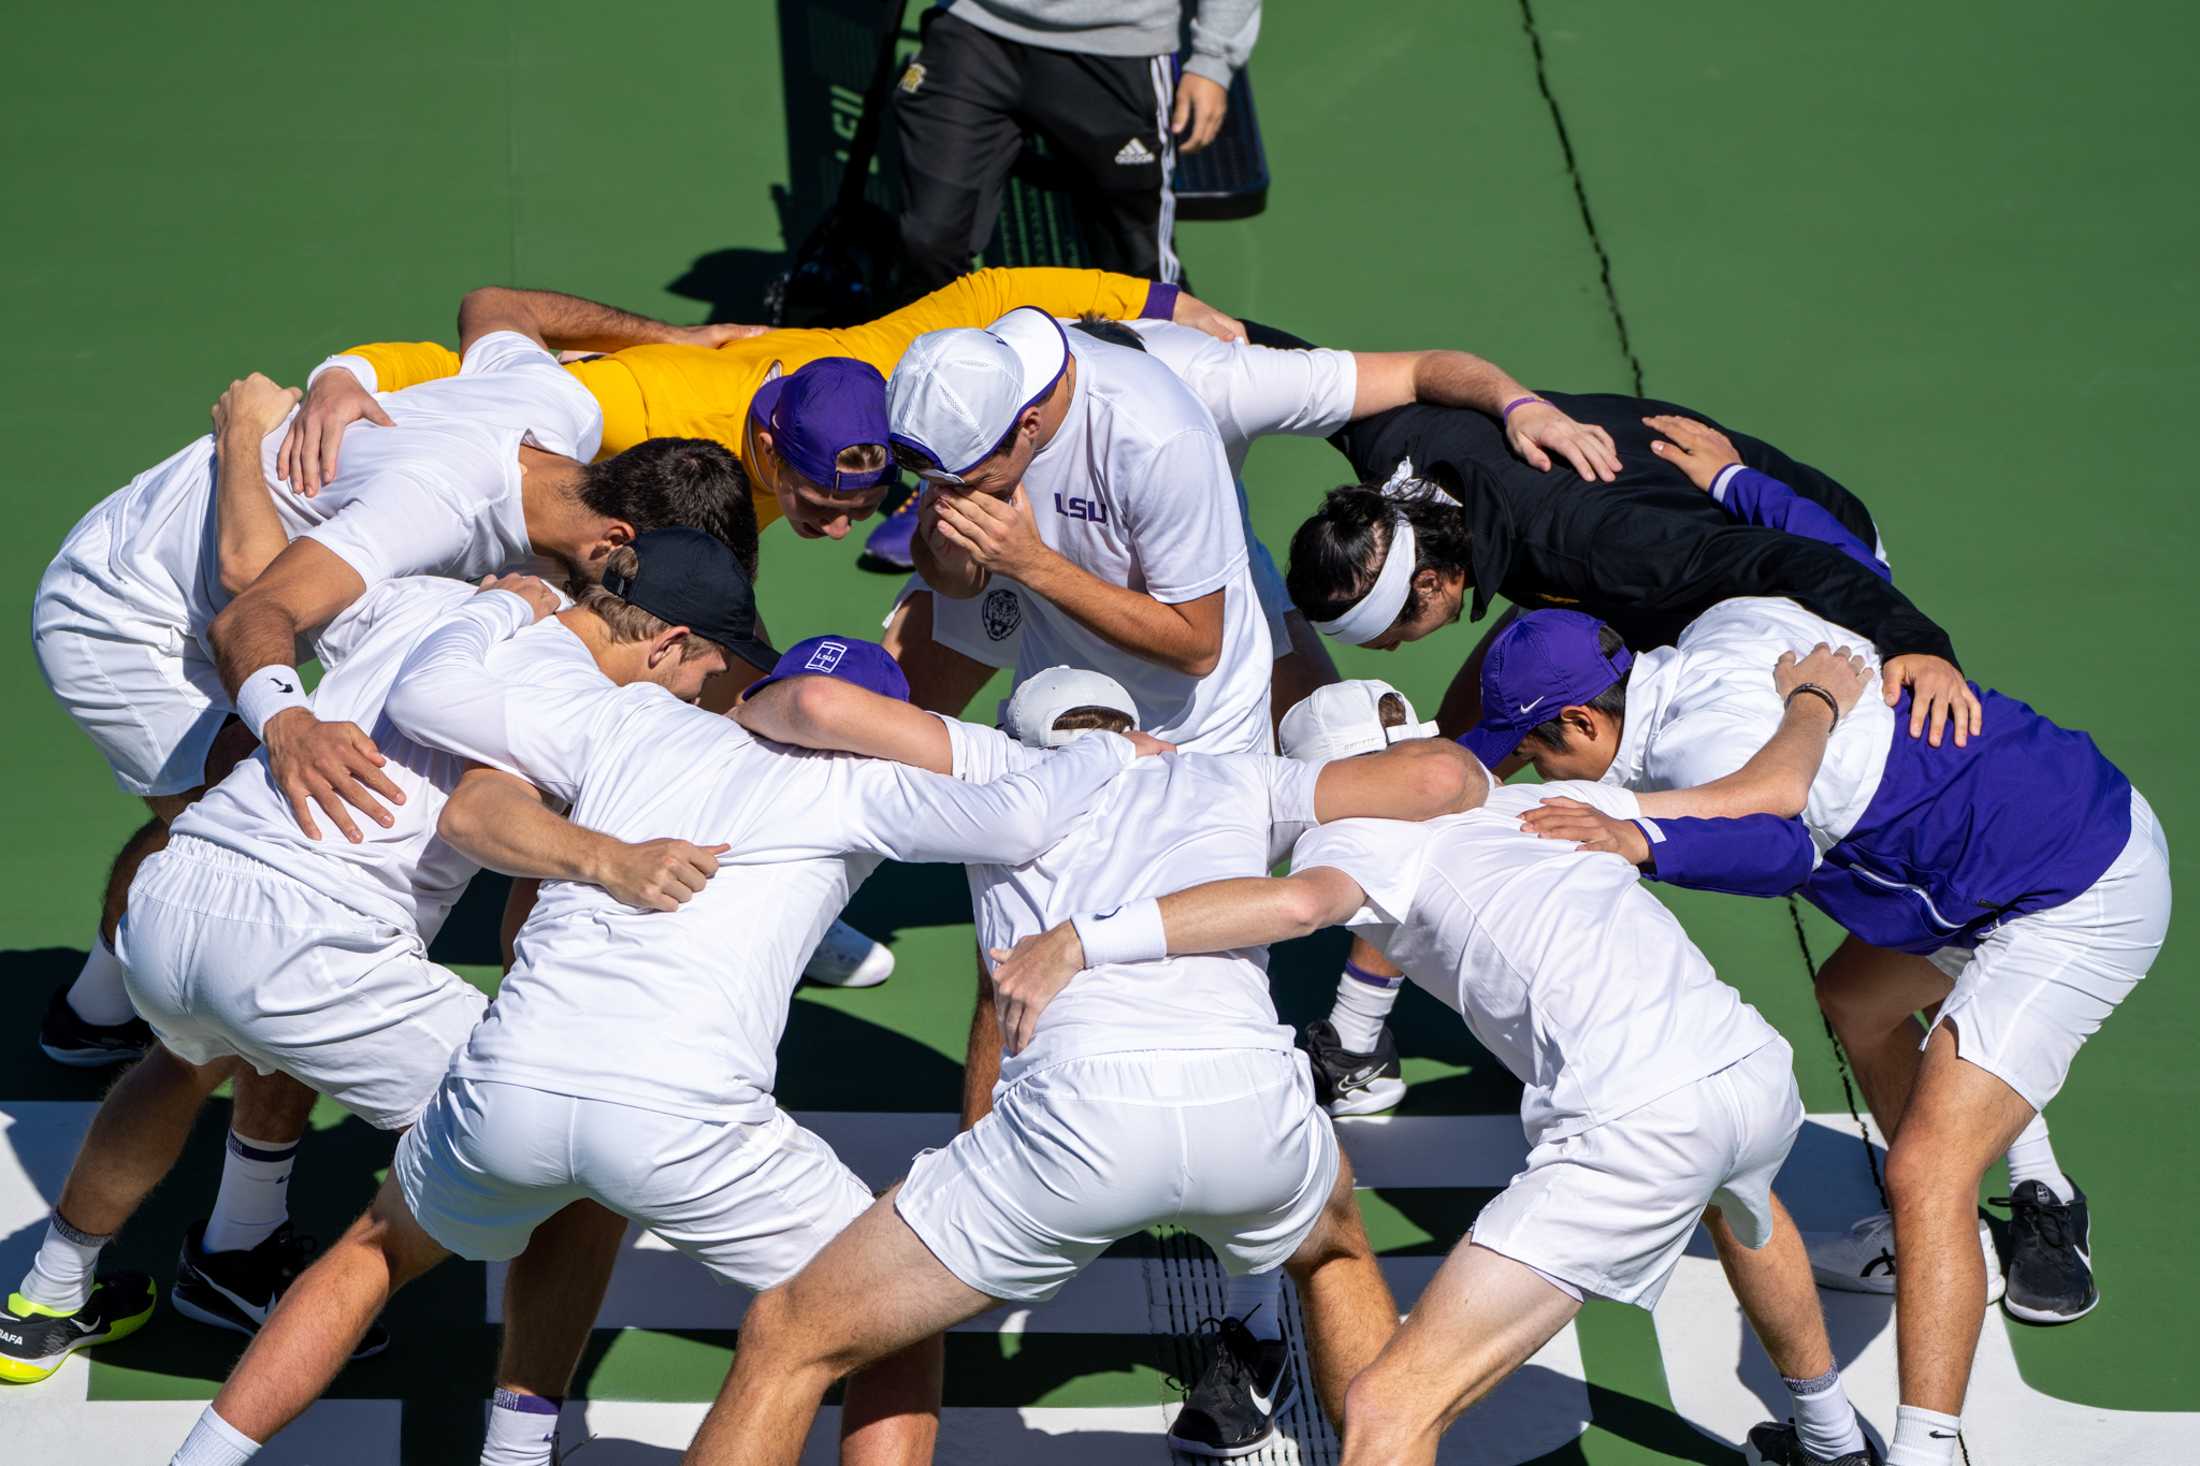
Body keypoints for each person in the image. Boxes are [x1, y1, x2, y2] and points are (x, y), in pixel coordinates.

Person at [159, 623, 1145, 1466]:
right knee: (887, 1317)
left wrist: (513, 606)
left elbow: (446, 717)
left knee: (372, 1249)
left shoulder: (632, 719)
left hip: (510, 1085)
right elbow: (1027, 817)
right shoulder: (869, 792)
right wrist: (1108, 750)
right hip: (679, 1116)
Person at [1463, 441, 2168, 1466]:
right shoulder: (1725, 622)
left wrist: (1639, 831)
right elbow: (1834, 554)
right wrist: (1734, 480)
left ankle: (1924, 1448)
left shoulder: (1709, 752)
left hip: (2072, 885)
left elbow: (1774, 843)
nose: (1531, 767)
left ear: (1581, 716)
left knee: (1930, 1163)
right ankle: (1918, 1239)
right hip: (2003, 831)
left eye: (1533, 749)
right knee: (1855, 999)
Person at [989, 678, 1885, 1466]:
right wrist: (1814, 701)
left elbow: (1300, 904)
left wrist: (1081, 940)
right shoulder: (1540, 802)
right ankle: (1832, 1440)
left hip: (1638, 1127)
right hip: (1752, 1072)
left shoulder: (1364, 837)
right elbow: (1756, 809)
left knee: (1386, 1405)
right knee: (1747, 1208)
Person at [0, 531, 759, 1403]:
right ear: (665, 643)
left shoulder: (442, 603)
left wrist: (496, 600)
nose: (703, 695)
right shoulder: (570, 696)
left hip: (180, 895)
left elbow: (262, 594)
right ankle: (524, 1431)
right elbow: (478, 819)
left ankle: (50, 1295)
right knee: (574, 1130)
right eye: (707, 673)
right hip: (312, 947)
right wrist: (613, 861)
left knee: (185, 1054)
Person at [694, 663, 1488, 1462]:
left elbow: (815, 701)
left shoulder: (997, 761)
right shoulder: (1239, 776)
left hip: (1077, 1122)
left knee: (791, 1336)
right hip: (1252, 1112)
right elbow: (1442, 775)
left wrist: (738, 709)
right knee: (1334, 1250)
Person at [882, 311, 1622, 1116]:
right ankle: (979, 1168)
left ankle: (1290, 1109)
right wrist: (953, 555)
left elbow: (1197, 643)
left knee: (1213, 966)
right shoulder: (970, 395)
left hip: (1205, 720)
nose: (955, 492)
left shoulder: (1180, 419)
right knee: (1008, 963)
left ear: (1030, 425)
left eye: (967, 478)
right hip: (1066, 698)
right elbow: (953, 579)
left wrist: (1520, 406)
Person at [29, 286, 749, 1074]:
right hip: (130, 612)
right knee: (247, 824)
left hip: (255, 578)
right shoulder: (430, 507)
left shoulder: (559, 407)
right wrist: (288, 723)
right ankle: (111, 1012)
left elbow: (495, 305)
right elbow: (251, 595)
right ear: (615, 537)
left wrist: (676, 334)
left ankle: (110, 1004)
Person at [1275, 384, 1978, 1111]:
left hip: (1785, 571)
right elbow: (1267, 350)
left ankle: (2033, 1173)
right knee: (1451, 773)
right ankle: (1356, 1039)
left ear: (1430, 579)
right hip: (1632, 561)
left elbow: (1805, 560)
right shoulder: (1397, 455)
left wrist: (1916, 643)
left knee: (1897, 916)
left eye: (1384, 631)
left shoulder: (1607, 553)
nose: (1386, 649)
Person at [892, 0, 1261, 297]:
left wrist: (1214, 58)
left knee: (1141, 269)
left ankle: (1164, 372)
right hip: (976, 26)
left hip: (1121, 41)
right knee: (927, 243)